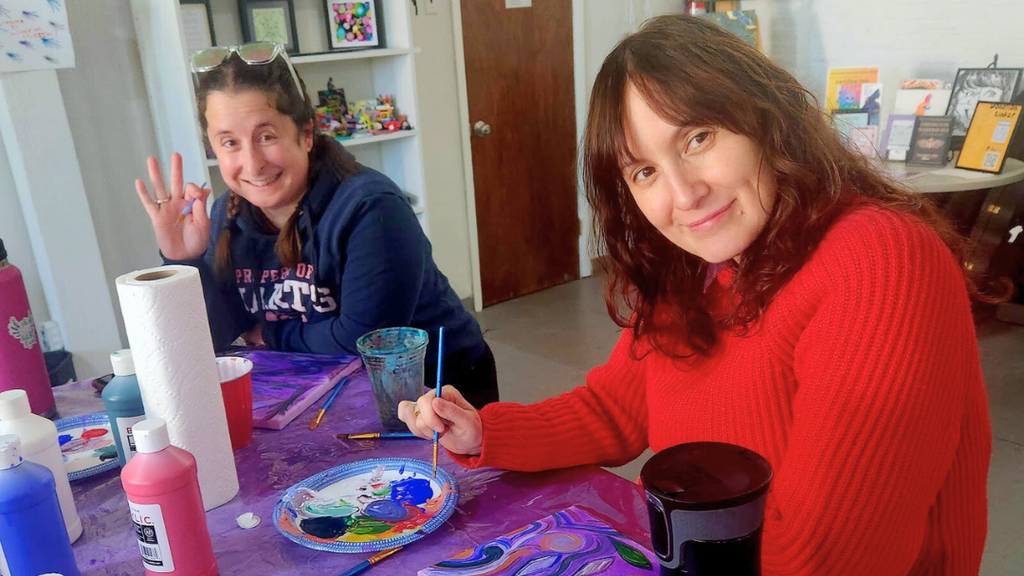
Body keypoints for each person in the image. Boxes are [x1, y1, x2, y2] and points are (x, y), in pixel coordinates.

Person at [400, 15, 994, 575]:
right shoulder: (700, 268)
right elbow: (615, 411)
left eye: (698, 138)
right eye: (644, 172)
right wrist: (485, 432)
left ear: (768, 120)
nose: (683, 195)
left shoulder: (880, 261)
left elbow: (824, 562)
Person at [134, 43, 498, 409]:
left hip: (438, 394)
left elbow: (361, 344)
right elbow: (214, 339)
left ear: (306, 134)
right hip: (319, 393)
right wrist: (184, 261)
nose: (252, 163)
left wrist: (268, 333)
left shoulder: (372, 209)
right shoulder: (225, 216)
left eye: (266, 136)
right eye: (230, 142)